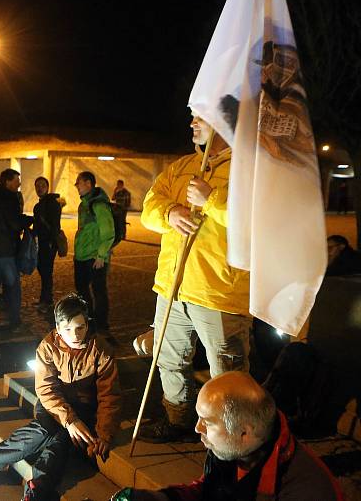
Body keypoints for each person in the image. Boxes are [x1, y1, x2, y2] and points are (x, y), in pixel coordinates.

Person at [138, 114, 252, 443]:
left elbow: (257, 220)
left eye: (200, 117)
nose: (191, 123)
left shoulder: (249, 168)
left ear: (224, 120)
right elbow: (150, 206)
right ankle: (178, 419)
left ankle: (232, 437)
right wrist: (169, 212)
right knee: (168, 359)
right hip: (172, 288)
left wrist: (212, 200)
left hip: (219, 291)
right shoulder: (180, 166)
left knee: (226, 371)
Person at [0, 294, 121, 501]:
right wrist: (69, 420)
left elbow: (109, 395)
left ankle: (37, 488)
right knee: (40, 432)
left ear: (87, 324)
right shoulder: (48, 347)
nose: (75, 335)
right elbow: (46, 389)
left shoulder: (100, 350)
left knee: (61, 441)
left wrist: (104, 433)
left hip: (84, 408)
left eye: (80, 327)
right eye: (68, 329)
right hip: (53, 407)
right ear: (58, 329)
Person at [111, 372, 344, 501]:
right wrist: (159, 500)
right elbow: (209, 491)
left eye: (207, 422)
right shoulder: (235, 451)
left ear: (244, 432)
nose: (197, 428)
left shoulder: (307, 492)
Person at [0, 168, 30, 330]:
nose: (19, 183)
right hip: (6, 250)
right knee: (13, 286)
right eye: (17, 180)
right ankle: (14, 319)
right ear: (7, 181)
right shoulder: (10, 198)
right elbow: (14, 223)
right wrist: (29, 221)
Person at [73, 171, 115, 336]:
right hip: (82, 255)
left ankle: (101, 324)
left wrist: (101, 255)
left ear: (89, 183)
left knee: (99, 291)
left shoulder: (98, 205)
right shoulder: (84, 204)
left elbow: (108, 231)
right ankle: (89, 319)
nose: (76, 186)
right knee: (81, 288)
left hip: (95, 257)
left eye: (79, 182)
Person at [33, 176, 64, 313]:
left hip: (49, 244)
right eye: (37, 186)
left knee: (46, 272)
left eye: (42, 185)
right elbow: (36, 225)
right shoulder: (38, 206)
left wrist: (52, 242)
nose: (39, 188)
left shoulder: (53, 204)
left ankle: (47, 300)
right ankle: (44, 299)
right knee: (43, 270)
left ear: (47, 187)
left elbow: (55, 225)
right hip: (42, 243)